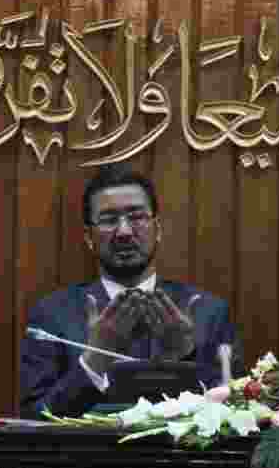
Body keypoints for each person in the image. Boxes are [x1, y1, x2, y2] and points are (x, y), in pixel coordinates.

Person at [20, 167, 240, 417]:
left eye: (137, 217)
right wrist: (94, 361)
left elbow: (237, 411)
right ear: (89, 237)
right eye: (108, 220)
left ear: (157, 229)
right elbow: (33, 418)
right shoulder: (52, 315)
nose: (124, 231)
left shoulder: (210, 312)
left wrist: (185, 358)